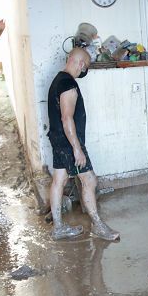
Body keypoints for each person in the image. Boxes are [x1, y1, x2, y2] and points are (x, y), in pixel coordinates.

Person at [45, 48, 120, 241]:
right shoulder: (69, 85)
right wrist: (77, 149)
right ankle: (98, 225)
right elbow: (67, 118)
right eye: (84, 67)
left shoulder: (57, 80)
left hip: (58, 139)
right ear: (80, 64)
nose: (83, 71)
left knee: (59, 180)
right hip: (69, 142)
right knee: (90, 180)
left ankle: (59, 227)